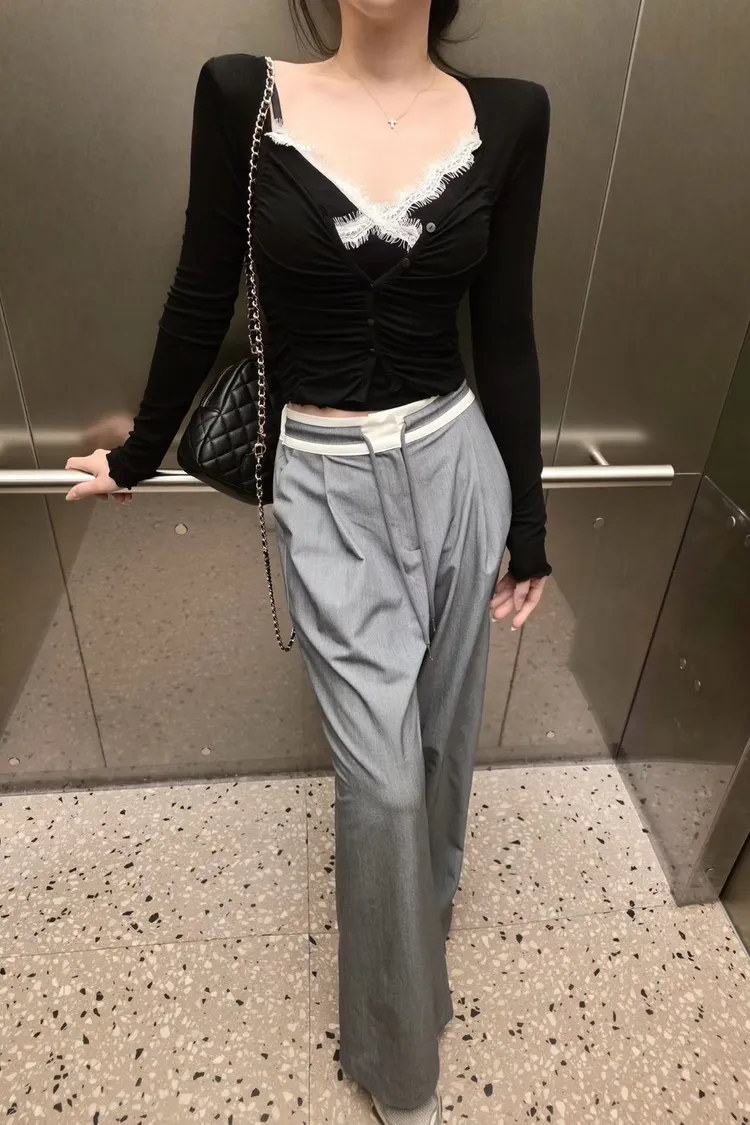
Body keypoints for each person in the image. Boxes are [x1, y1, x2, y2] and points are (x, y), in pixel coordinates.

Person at [65, 1, 551, 1120]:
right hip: (324, 481)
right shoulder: (245, 96)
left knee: (444, 739)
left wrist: (526, 523)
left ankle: (420, 926)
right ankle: (400, 1063)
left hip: (457, 465)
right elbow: (202, 290)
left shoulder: (514, 116)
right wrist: (139, 455)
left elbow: (507, 330)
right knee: (381, 783)